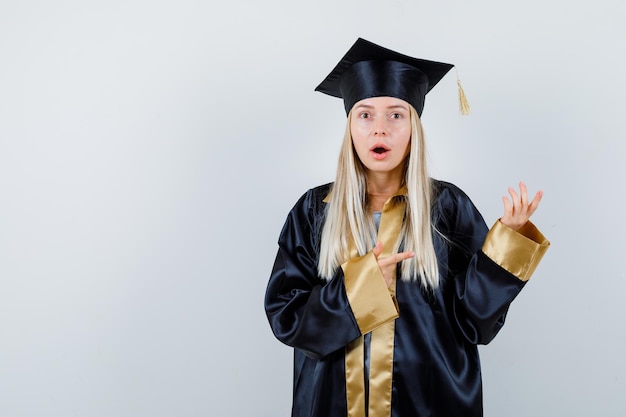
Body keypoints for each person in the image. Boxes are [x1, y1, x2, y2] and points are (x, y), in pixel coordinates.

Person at [264, 38, 550, 417]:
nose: (379, 130)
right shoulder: (314, 212)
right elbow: (287, 317)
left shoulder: (447, 208)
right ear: (350, 126)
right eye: (365, 115)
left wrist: (506, 244)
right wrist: (361, 289)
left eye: (396, 115)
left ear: (414, 126)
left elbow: (476, 323)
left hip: (429, 403)